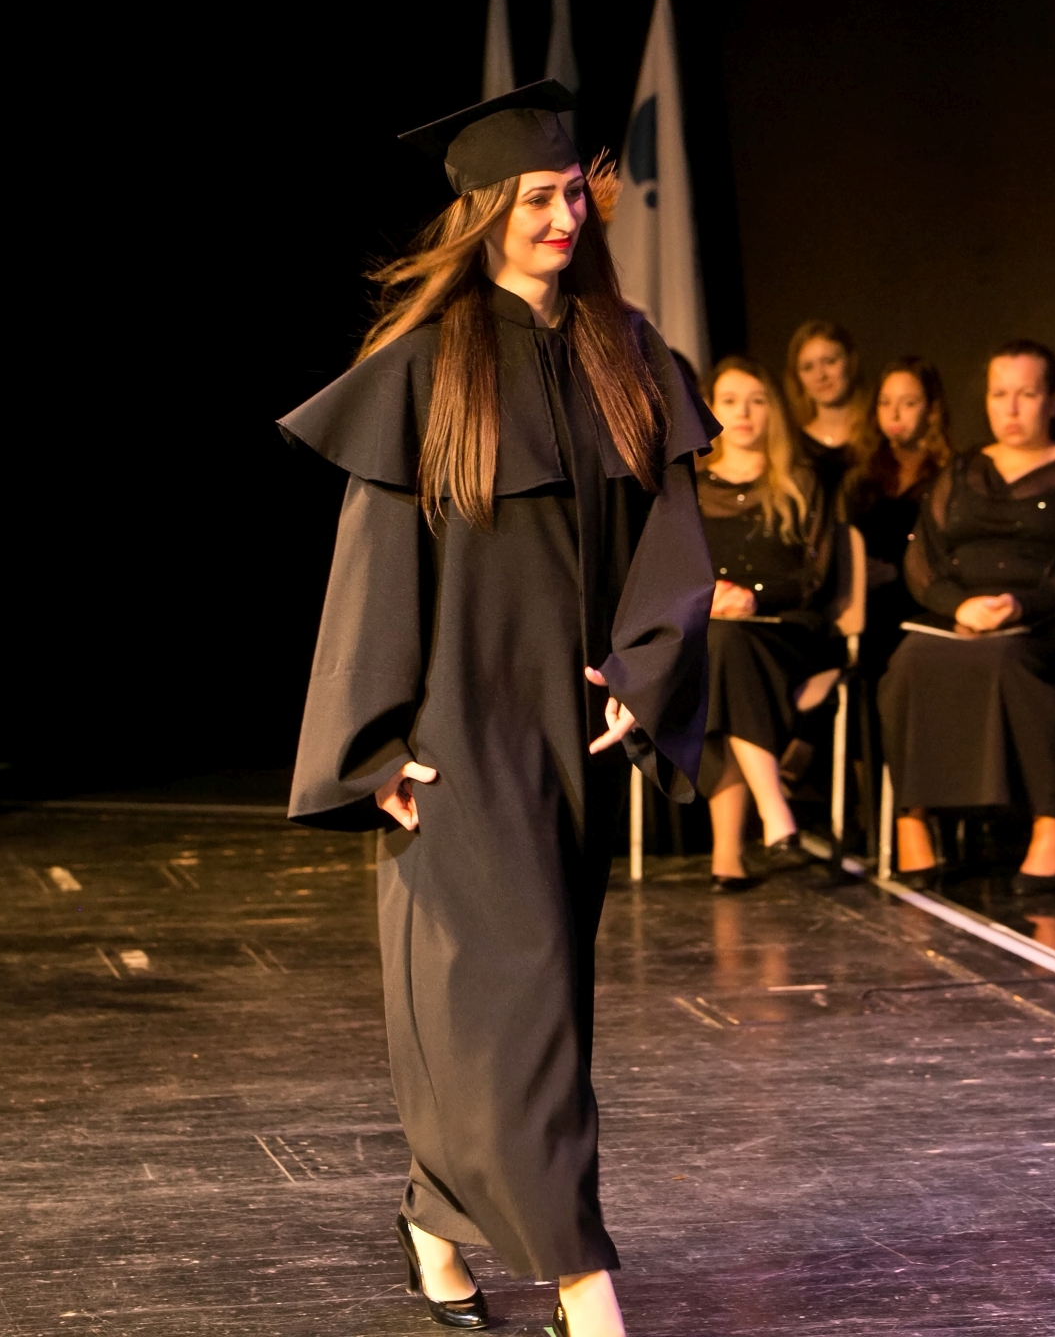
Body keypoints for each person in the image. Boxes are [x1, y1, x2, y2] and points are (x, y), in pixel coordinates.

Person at [277, 82, 716, 1337]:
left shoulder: (628, 354)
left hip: (569, 735)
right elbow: (372, 571)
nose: (562, 218)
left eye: (571, 192)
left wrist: (644, 675)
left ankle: (432, 1220)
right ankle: (584, 1287)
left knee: (532, 1009)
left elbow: (671, 542)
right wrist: (371, 747)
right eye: (533, 200)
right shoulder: (427, 367)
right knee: (517, 1013)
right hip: (456, 738)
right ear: (480, 213)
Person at [877, 340, 1055, 893]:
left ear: (1051, 401)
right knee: (909, 660)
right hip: (965, 613)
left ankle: (1051, 821)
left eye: (1026, 394)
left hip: (1052, 616)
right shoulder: (962, 470)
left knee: (1009, 658)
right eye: (999, 394)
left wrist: (1019, 606)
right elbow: (922, 560)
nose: (1011, 408)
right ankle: (912, 817)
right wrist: (959, 606)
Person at [696, 355, 846, 887]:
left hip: (788, 631)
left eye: (757, 401)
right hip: (715, 632)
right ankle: (773, 812)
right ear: (709, 408)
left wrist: (754, 598)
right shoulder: (689, 485)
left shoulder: (801, 481)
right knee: (721, 650)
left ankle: (732, 847)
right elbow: (667, 569)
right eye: (730, 401)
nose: (743, 413)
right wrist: (710, 598)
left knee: (726, 653)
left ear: (774, 411)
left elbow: (816, 574)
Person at [846, 357, 953, 688]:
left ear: (931, 410)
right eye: (885, 402)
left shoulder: (950, 474)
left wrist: (896, 571)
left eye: (908, 403)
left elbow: (949, 556)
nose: (894, 415)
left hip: (920, 599)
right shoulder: (860, 476)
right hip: (866, 599)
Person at [783, 319, 869, 494]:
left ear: (851, 362)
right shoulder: (792, 445)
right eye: (808, 367)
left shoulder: (877, 431)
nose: (820, 375)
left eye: (829, 361)